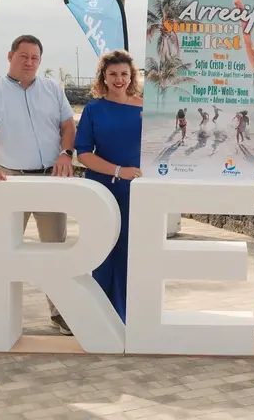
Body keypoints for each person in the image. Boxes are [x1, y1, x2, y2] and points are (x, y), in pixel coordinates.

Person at [0, 34, 77, 335]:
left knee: (55, 250)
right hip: (10, 180)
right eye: (24, 56)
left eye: (35, 58)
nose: (29, 62)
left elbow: (68, 126)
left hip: (50, 180)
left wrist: (66, 153)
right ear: (10, 56)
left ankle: (60, 313)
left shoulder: (52, 90)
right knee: (3, 249)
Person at [74, 50, 143, 321]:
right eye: (113, 74)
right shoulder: (93, 109)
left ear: (131, 77)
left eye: (124, 74)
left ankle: (125, 317)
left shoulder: (146, 109)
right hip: (101, 189)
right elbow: (83, 153)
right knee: (101, 251)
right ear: (103, 76)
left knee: (129, 253)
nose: (119, 79)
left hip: (136, 192)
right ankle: (98, 318)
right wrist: (118, 171)